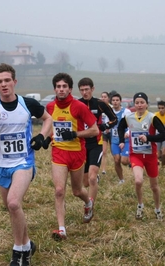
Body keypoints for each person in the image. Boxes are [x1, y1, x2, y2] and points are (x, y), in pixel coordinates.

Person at [0, 63, 53, 266]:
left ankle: (20, 253)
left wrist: (42, 136)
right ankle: (27, 243)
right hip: (1, 165)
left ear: (14, 82)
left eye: (7, 80)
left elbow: (48, 119)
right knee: (12, 208)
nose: (4, 84)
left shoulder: (27, 103)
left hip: (23, 162)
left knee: (13, 202)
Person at [46, 73, 99, 241]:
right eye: (58, 86)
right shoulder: (49, 107)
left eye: (64, 86)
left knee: (77, 191)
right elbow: (49, 127)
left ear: (69, 89)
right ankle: (62, 230)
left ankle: (88, 203)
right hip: (59, 152)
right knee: (60, 190)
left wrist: (75, 133)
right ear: (54, 88)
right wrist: (45, 139)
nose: (61, 89)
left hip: (77, 153)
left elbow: (95, 130)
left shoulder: (79, 107)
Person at [118, 92, 165, 220]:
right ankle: (140, 205)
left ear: (146, 104)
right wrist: (122, 141)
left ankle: (157, 209)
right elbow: (120, 127)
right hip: (136, 155)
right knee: (138, 180)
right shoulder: (129, 117)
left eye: (142, 102)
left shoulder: (152, 118)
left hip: (151, 156)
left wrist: (148, 138)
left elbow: (164, 135)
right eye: (137, 103)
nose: (139, 105)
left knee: (154, 186)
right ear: (134, 104)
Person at [77, 78, 117, 215]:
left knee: (92, 178)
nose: (84, 92)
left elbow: (114, 119)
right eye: (82, 90)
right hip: (82, 144)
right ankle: (94, 181)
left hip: (97, 143)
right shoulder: (77, 104)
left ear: (92, 89)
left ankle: (90, 207)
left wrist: (105, 126)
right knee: (86, 182)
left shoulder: (100, 104)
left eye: (86, 89)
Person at [109, 93, 132, 184]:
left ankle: (133, 161)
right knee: (116, 160)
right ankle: (121, 180)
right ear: (111, 102)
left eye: (117, 100)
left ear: (120, 101)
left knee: (124, 161)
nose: (115, 102)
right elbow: (107, 123)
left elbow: (131, 124)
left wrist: (127, 132)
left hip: (125, 140)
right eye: (113, 100)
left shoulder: (126, 112)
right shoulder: (109, 112)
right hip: (114, 141)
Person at [100, 91, 112, 175]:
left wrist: (109, 126)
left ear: (108, 98)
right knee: (104, 151)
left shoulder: (111, 107)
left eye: (105, 97)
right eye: (102, 97)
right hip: (103, 133)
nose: (103, 98)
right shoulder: (99, 107)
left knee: (114, 152)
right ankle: (103, 169)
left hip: (112, 133)